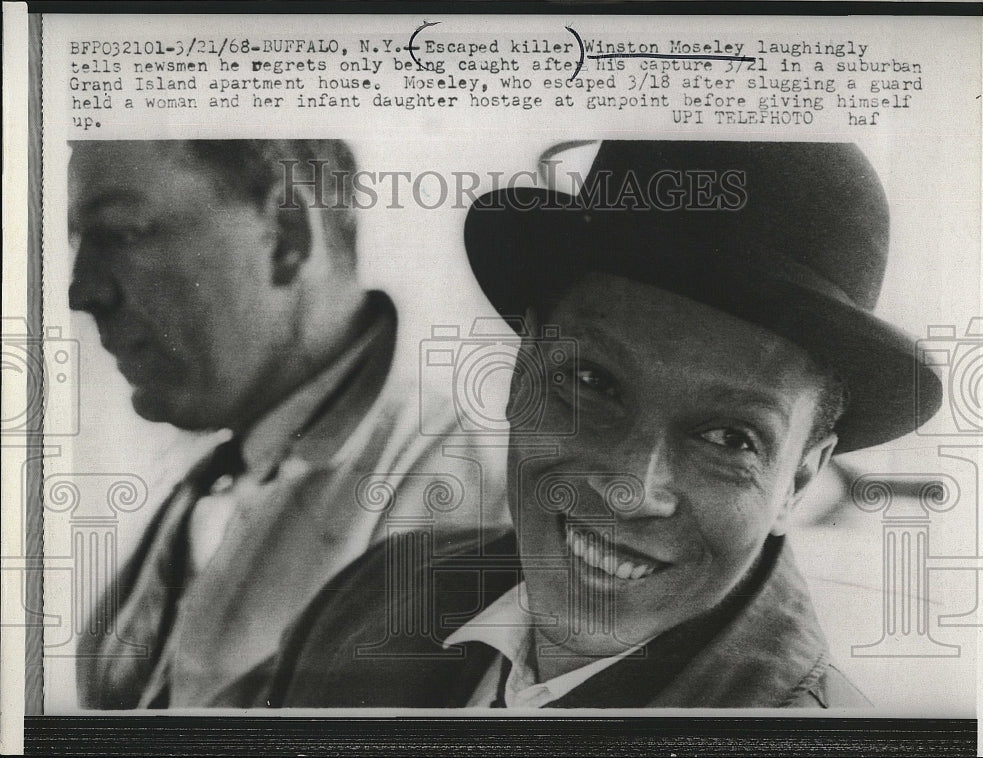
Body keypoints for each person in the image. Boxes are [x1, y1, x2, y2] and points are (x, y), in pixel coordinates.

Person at [225, 140, 944, 708]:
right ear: (521, 371)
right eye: (593, 383)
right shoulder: (374, 598)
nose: (630, 488)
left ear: (799, 478)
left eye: (730, 438)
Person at [68, 140, 508, 708]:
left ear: (285, 234)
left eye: (123, 233)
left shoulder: (458, 480)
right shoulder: (216, 471)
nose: (83, 291)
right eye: (79, 240)